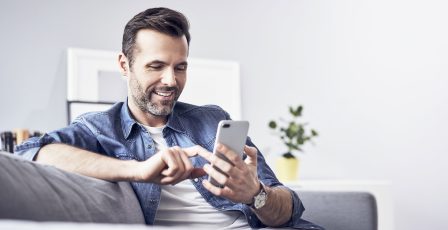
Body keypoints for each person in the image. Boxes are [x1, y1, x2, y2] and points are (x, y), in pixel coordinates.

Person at [15, 7, 322, 229]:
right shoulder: (99, 128)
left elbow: (289, 208)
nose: (171, 81)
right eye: (156, 66)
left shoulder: (212, 119)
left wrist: (255, 194)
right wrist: (138, 170)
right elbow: (31, 152)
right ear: (124, 65)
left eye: (180, 67)